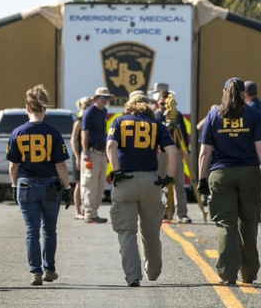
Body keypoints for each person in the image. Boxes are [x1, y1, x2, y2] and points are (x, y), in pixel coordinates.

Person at [197, 78, 261, 285]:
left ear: (224, 92)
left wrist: (201, 178)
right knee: (248, 222)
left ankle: (227, 273)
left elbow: (205, 152)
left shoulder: (213, 115)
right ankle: (249, 273)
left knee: (226, 223)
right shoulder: (253, 114)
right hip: (249, 173)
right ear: (244, 93)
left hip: (221, 173)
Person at [108, 90, 178, 287]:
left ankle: (133, 276)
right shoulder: (156, 124)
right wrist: (169, 177)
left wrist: (116, 171)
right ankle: (153, 271)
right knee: (151, 231)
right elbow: (172, 151)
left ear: (129, 104)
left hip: (125, 181)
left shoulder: (119, 121)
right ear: (147, 105)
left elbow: (110, 147)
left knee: (126, 232)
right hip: (150, 181)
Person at [6, 85, 71, 286]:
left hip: (26, 184)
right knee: (49, 229)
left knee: (31, 231)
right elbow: (60, 165)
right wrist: (67, 187)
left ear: (27, 108)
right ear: (45, 108)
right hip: (50, 184)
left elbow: (13, 166)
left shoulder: (18, 132)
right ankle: (49, 269)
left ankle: (35, 272)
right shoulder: (53, 133)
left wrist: (14, 186)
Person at [153, 83, 191, 224]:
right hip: (161, 154)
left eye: (166, 104)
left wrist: (185, 151)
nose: (164, 107)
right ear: (157, 102)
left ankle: (182, 213)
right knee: (160, 184)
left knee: (179, 185)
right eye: (162, 104)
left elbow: (184, 135)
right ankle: (162, 212)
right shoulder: (155, 116)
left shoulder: (177, 116)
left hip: (175, 153)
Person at [79, 87, 111, 223]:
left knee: (100, 184)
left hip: (101, 152)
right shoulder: (89, 112)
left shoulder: (104, 111)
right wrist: (85, 152)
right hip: (92, 152)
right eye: (102, 97)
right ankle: (88, 213)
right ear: (96, 98)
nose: (105, 100)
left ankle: (94, 212)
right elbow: (84, 133)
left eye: (107, 98)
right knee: (90, 183)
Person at [70, 96, 90, 220]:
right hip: (79, 154)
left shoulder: (89, 120)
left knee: (87, 183)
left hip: (88, 155)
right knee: (79, 183)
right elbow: (73, 140)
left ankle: (85, 209)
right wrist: (77, 157)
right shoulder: (79, 121)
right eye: (87, 106)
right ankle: (77, 211)